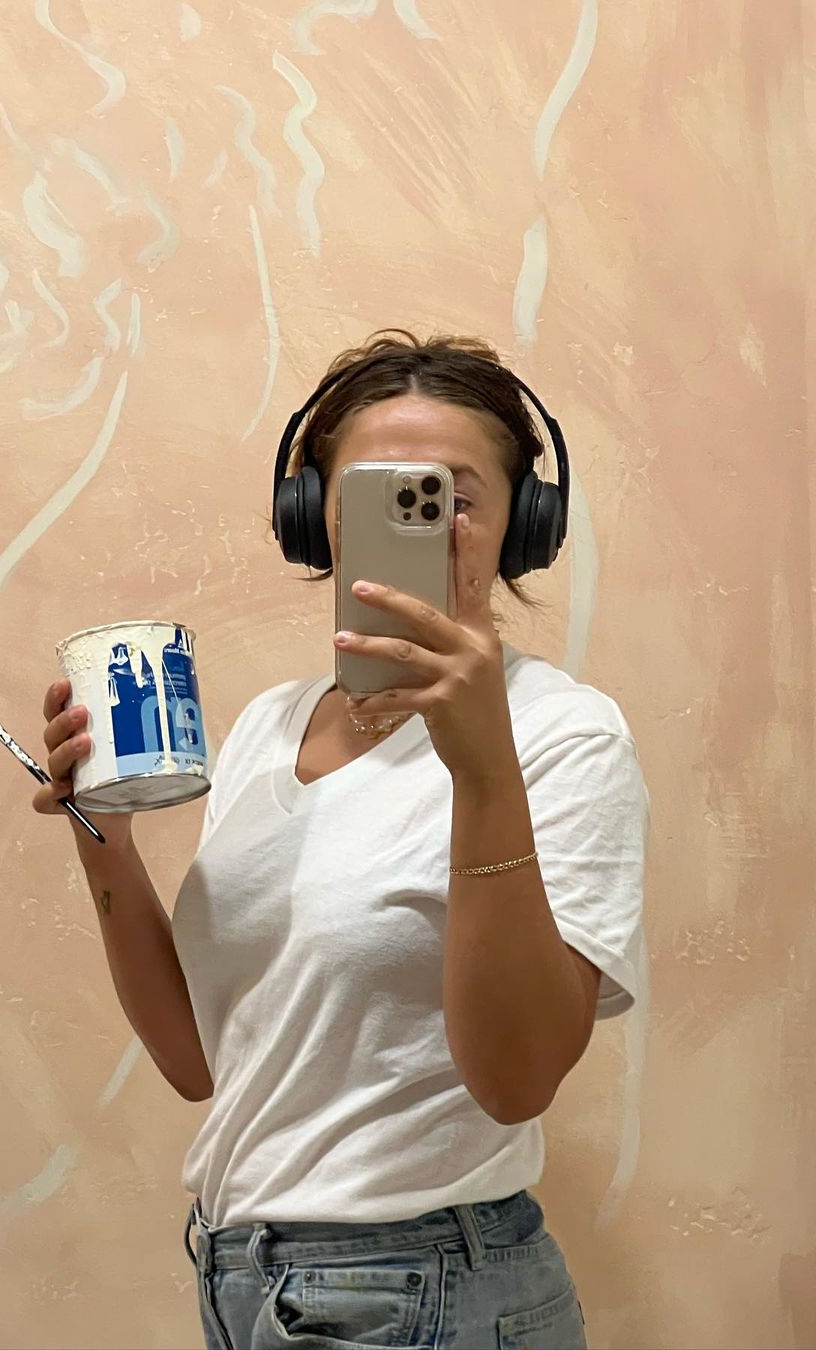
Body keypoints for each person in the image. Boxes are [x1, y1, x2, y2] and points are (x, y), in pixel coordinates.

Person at [34, 330, 649, 1349]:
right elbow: (200, 1060)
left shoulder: (562, 734)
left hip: (425, 1291)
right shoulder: (271, 726)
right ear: (313, 516)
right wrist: (102, 833)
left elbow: (518, 1081)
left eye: (450, 496)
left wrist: (482, 768)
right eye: (377, 493)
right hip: (242, 1280)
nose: (421, 519)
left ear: (523, 527)